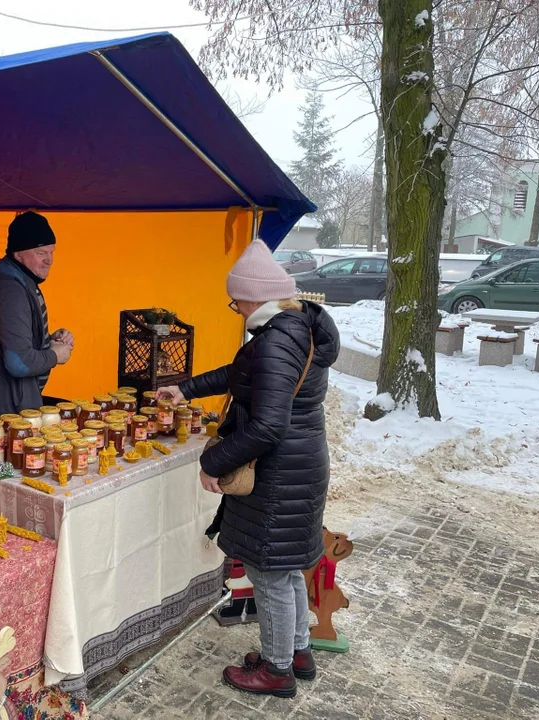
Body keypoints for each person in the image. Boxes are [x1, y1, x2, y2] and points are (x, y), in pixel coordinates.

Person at [159, 238, 340, 699]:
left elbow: (267, 426)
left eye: (235, 299)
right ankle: (296, 651)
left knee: (269, 572)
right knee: (286, 569)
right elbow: (242, 372)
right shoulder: (294, 329)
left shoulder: (278, 338)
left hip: (280, 475)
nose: (234, 308)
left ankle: (277, 671)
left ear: (253, 295)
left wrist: (213, 461)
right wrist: (187, 387)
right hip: (299, 466)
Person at [0, 211, 74, 429]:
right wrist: (54, 355)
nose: (49, 260)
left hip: (8, 402)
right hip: (5, 409)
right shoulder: (10, 292)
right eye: (40, 252)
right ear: (18, 255)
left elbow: (15, 342)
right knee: (8, 464)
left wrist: (47, 341)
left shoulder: (19, 281)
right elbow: (19, 363)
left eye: (51, 252)